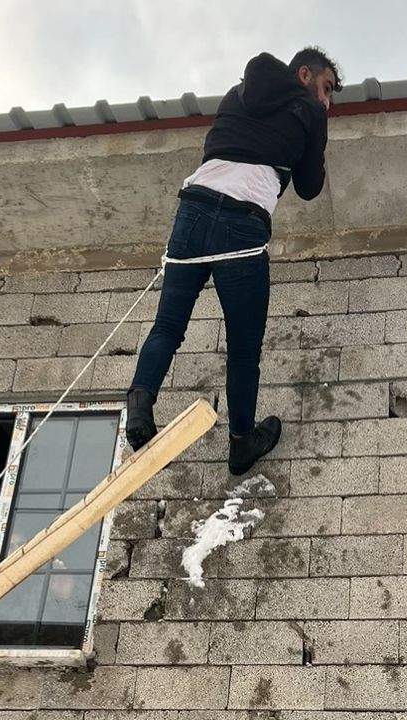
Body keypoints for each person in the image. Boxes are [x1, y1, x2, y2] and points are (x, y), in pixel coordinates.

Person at [125, 47, 341, 475]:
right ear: (304, 74)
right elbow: (310, 186)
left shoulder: (237, 93)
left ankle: (140, 403)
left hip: (194, 209)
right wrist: (316, 125)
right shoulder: (310, 112)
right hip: (243, 224)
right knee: (243, 350)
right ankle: (242, 442)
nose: (327, 100)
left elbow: (218, 142)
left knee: (167, 326)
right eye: (327, 87)